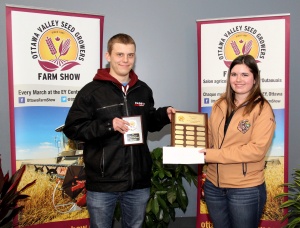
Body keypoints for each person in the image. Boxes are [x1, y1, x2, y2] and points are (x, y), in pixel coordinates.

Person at [62, 33, 175, 228]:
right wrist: (108, 125)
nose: (125, 60)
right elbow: (73, 128)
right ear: (108, 56)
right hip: (103, 184)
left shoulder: (143, 90)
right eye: (120, 54)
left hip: (138, 183)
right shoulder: (91, 92)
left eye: (130, 55)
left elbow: (149, 121)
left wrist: (165, 115)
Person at [200, 54, 276, 228]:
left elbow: (256, 150)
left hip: (245, 189)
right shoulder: (219, 104)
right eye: (234, 74)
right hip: (214, 186)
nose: (238, 79)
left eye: (245, 74)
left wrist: (212, 154)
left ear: (255, 79)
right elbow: (210, 138)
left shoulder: (263, 109)